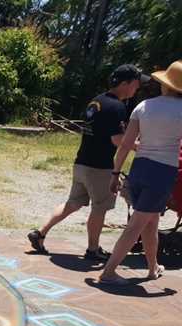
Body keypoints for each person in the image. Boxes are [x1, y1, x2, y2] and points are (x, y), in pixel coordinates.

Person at [28, 64, 149, 259]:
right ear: (126, 83)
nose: (137, 88)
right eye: (136, 84)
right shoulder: (117, 107)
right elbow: (117, 139)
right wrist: (140, 146)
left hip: (82, 162)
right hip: (99, 167)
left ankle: (40, 233)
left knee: (73, 203)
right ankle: (93, 249)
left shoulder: (97, 101)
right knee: (99, 207)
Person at [99, 60, 182, 284]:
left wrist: (115, 173)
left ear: (165, 84)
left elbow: (126, 143)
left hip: (139, 168)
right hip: (162, 172)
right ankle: (108, 272)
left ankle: (152, 267)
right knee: (137, 224)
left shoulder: (144, 106)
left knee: (150, 221)